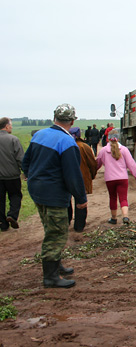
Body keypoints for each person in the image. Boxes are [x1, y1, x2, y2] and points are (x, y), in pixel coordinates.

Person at [22, 104, 87, 288]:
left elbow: (25, 161)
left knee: (50, 227)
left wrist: (30, 176)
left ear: (54, 118)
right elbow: (73, 175)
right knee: (57, 233)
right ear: (72, 121)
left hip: (37, 192)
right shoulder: (67, 142)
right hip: (54, 195)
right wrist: (81, 199)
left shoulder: (39, 135)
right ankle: (50, 277)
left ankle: (56, 265)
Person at [96, 128, 136, 225]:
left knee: (112, 198)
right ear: (118, 138)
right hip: (122, 178)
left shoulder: (104, 150)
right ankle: (125, 217)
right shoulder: (124, 150)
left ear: (108, 138)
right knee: (123, 198)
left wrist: (92, 174)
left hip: (110, 179)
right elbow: (132, 165)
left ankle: (113, 218)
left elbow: (97, 164)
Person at [68, 127, 97, 232]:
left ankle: (67, 221)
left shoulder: (64, 146)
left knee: (67, 200)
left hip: (66, 178)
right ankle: (79, 226)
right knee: (80, 201)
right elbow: (92, 164)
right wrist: (91, 176)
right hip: (81, 178)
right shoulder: (84, 147)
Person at [0, 117, 24, 231]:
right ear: (6, 126)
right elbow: (20, 158)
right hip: (12, 176)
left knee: (0, 200)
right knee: (15, 196)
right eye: (11, 125)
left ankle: (3, 224)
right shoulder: (13, 139)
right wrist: (25, 171)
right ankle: (12, 215)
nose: (12, 127)